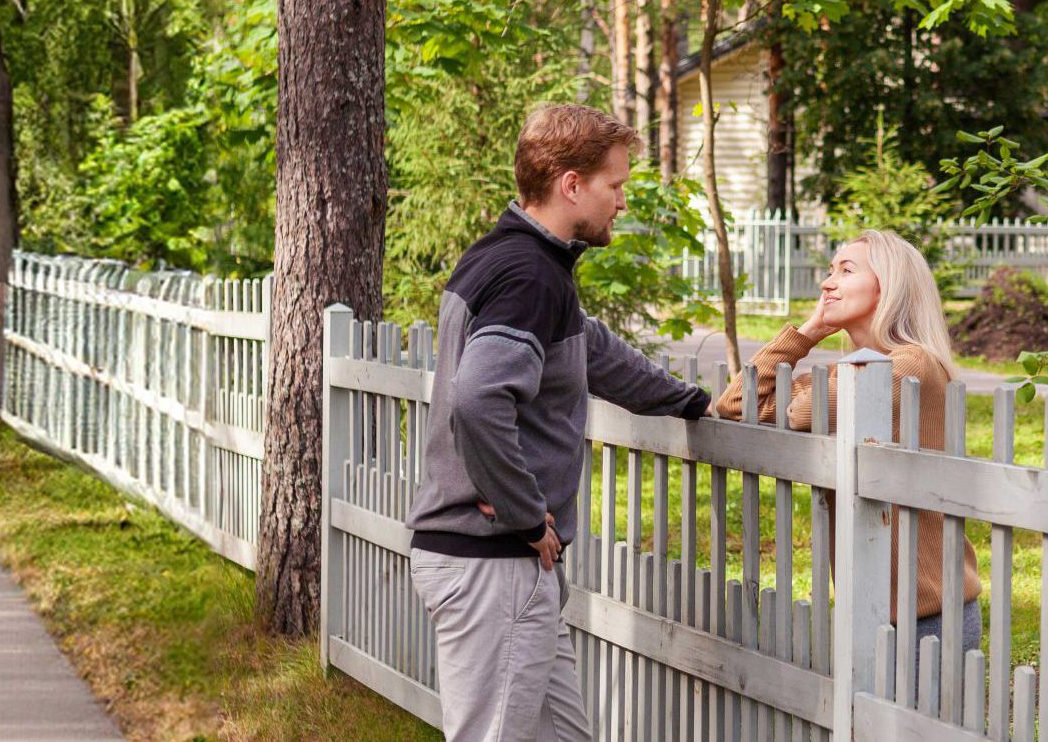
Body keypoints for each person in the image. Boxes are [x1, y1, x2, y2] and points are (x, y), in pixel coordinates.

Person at [407, 103, 713, 742]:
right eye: (616, 184)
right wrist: (521, 511)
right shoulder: (529, 276)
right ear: (571, 185)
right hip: (495, 562)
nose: (622, 202)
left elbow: (590, 351)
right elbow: (478, 397)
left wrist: (692, 401)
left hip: (503, 565)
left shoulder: (512, 259)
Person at [711, 229, 987, 651]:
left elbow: (803, 411)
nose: (827, 282)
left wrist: (805, 394)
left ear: (888, 287)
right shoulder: (856, 369)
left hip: (928, 619)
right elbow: (734, 403)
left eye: (846, 270)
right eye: (829, 270)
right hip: (872, 610)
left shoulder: (911, 363)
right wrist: (809, 330)